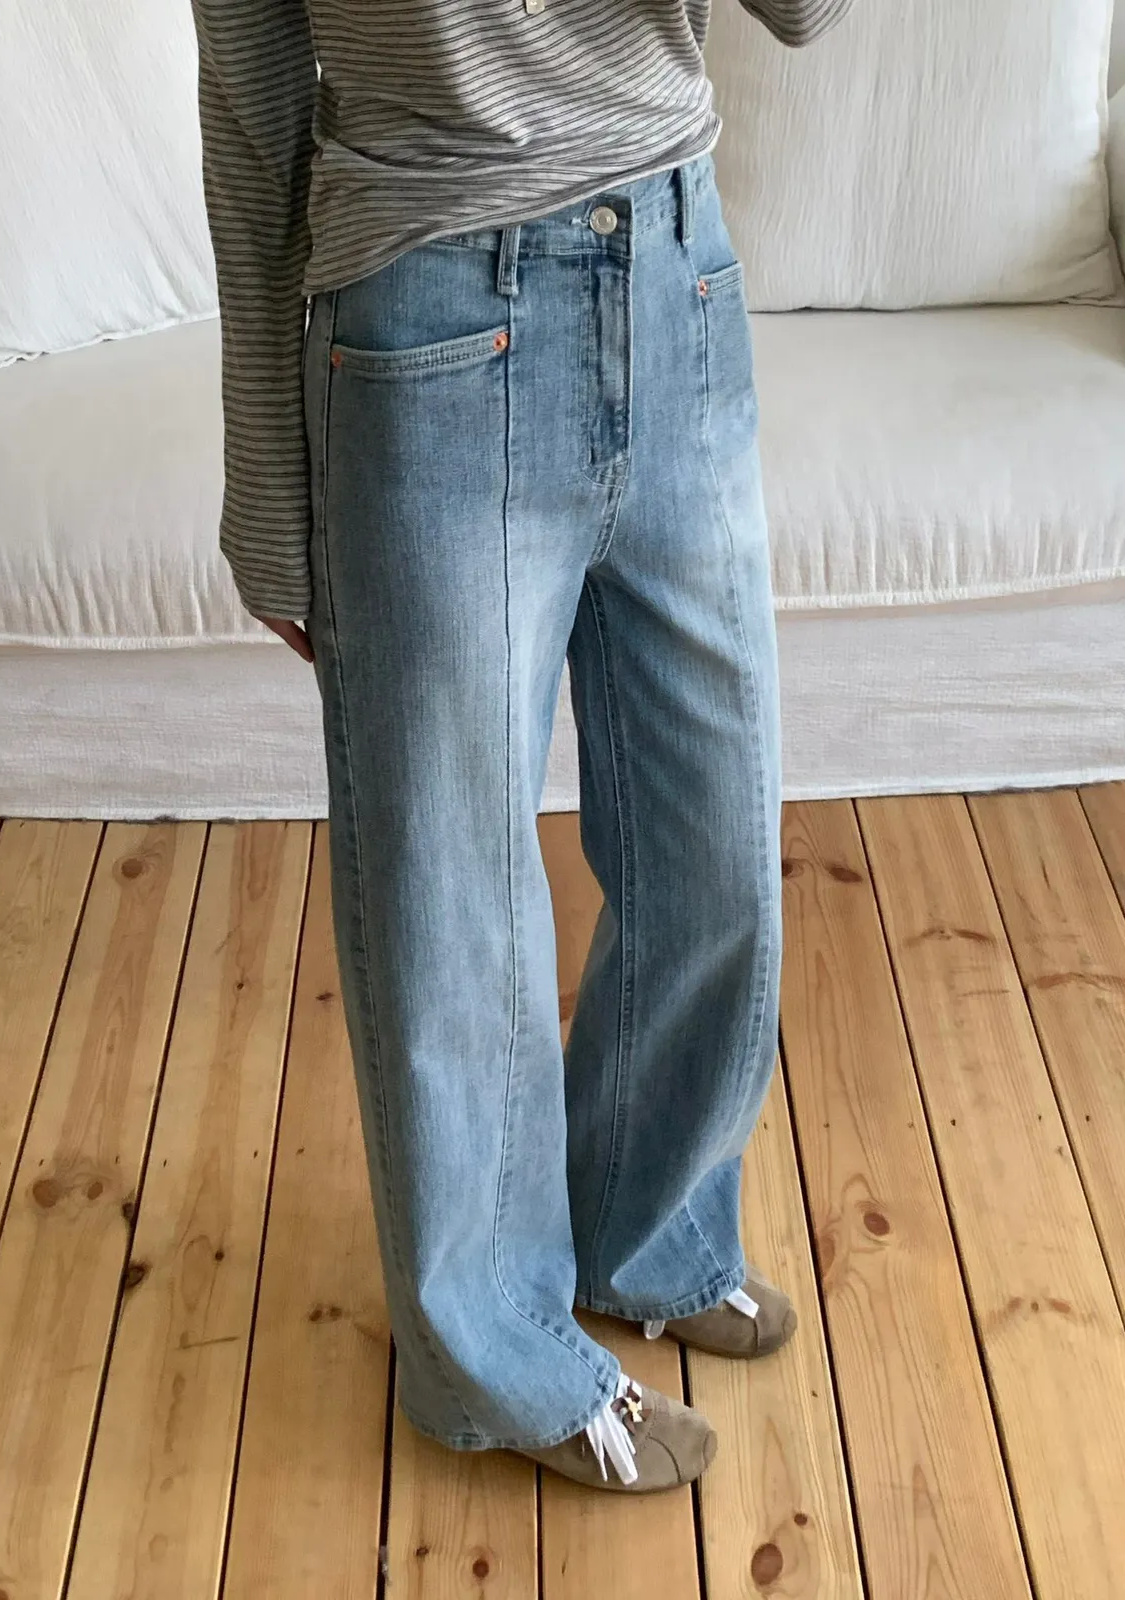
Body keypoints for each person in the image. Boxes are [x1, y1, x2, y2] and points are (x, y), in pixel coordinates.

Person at [189, 0, 849, 1494]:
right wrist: (271, 484)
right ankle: (493, 1355)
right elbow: (251, 88)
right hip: (428, 315)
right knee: (450, 893)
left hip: (679, 267)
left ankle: (648, 1227)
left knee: (713, 838)